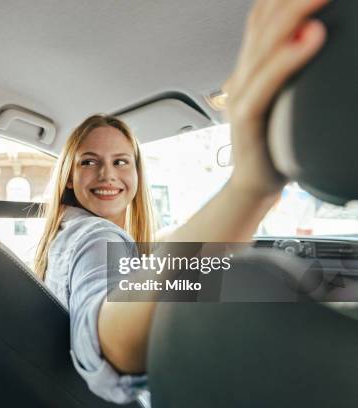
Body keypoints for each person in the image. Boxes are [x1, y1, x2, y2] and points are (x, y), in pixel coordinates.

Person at [34, 0, 329, 404]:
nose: (108, 176)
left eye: (121, 162)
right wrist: (250, 187)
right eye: (90, 162)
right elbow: (103, 341)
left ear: (137, 174)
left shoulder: (63, 235)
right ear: (69, 175)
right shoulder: (95, 237)